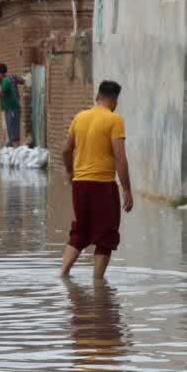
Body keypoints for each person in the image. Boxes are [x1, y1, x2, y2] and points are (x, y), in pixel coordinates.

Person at [60, 81, 133, 280]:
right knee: (106, 235)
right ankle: (98, 284)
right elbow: (120, 157)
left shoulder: (79, 117)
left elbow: (66, 150)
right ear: (115, 100)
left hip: (80, 184)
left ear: (96, 97)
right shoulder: (114, 120)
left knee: (80, 231)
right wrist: (127, 189)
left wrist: (70, 171)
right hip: (102, 185)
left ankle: (62, 274)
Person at [0, 63, 21, 147]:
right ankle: (12, 151)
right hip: (7, 109)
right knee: (9, 131)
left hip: (12, 109)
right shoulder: (1, 81)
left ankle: (16, 151)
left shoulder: (6, 80)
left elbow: (3, 92)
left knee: (13, 132)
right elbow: (0, 95)